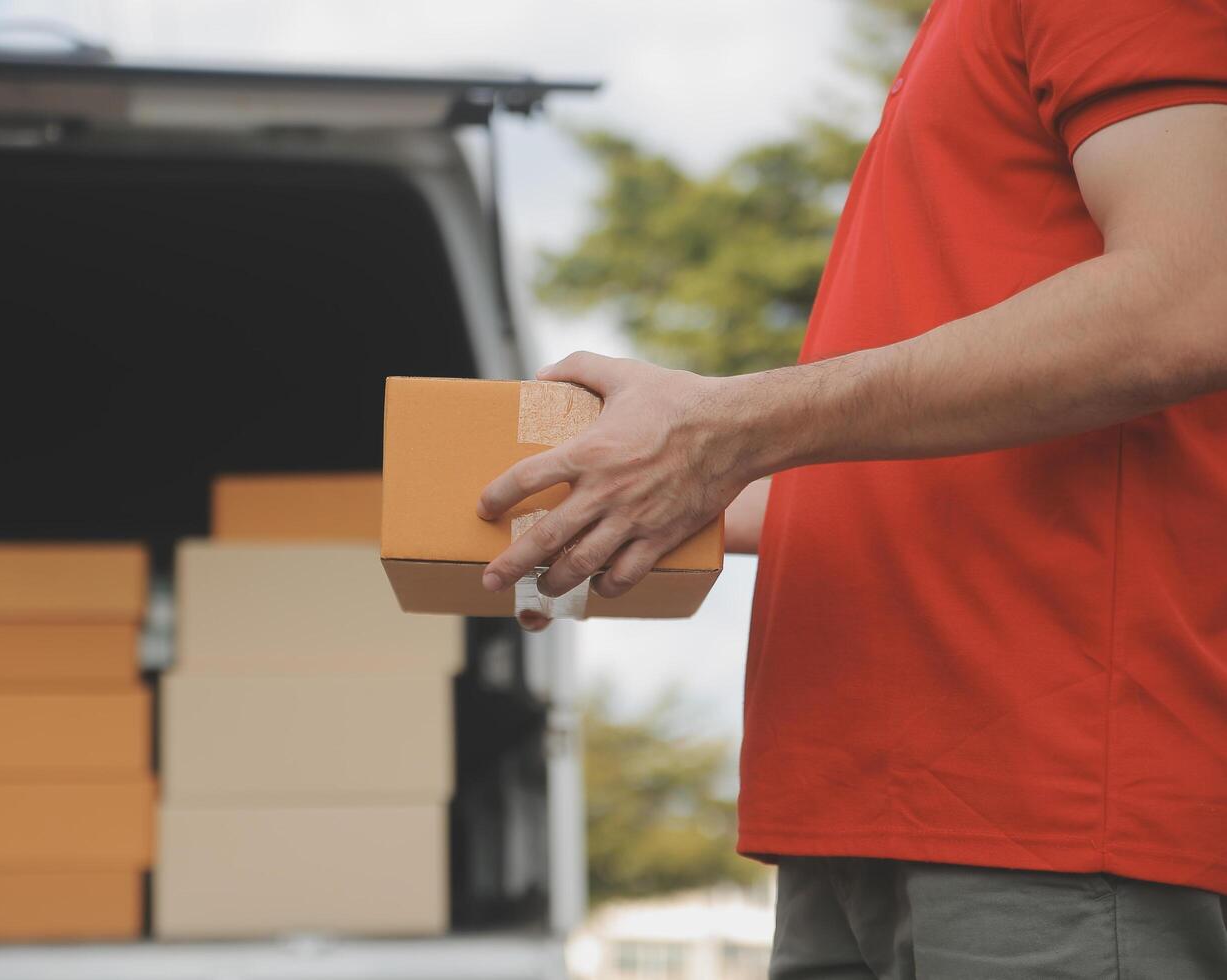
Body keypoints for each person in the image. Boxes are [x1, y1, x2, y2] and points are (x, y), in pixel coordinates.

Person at [477, 1, 1227, 976]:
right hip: (857, 806)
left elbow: (1195, 294)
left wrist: (730, 426)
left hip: (1049, 795)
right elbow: (938, 466)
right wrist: (641, 494)